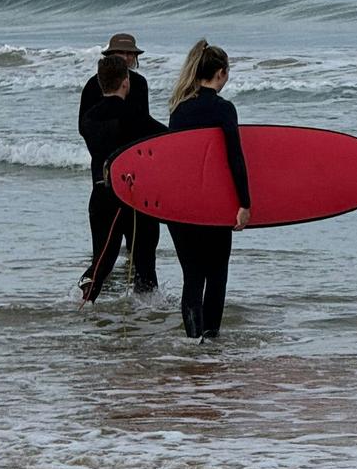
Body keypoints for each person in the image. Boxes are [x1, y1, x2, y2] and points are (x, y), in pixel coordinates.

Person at [165, 40, 251, 342]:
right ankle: (211, 340)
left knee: (192, 276)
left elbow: (174, 162)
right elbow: (234, 158)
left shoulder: (179, 110)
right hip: (212, 208)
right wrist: (244, 203)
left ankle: (193, 343)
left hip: (181, 208)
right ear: (220, 73)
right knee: (216, 276)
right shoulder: (223, 109)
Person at [78, 55, 167, 301]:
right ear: (126, 82)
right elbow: (166, 138)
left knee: (104, 258)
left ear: (100, 82)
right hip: (134, 198)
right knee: (145, 262)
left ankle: (85, 302)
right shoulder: (134, 116)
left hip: (101, 196)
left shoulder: (88, 119)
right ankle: (148, 315)